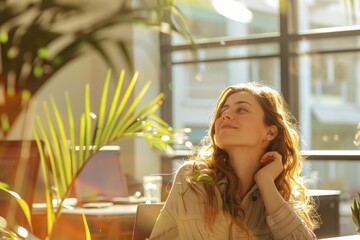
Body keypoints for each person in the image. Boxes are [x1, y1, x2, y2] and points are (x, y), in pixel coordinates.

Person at [149, 82, 318, 239]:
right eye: (223, 111)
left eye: (242, 110)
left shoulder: (277, 192)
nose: (226, 115)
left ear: (270, 133)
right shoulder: (192, 177)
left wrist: (265, 182)